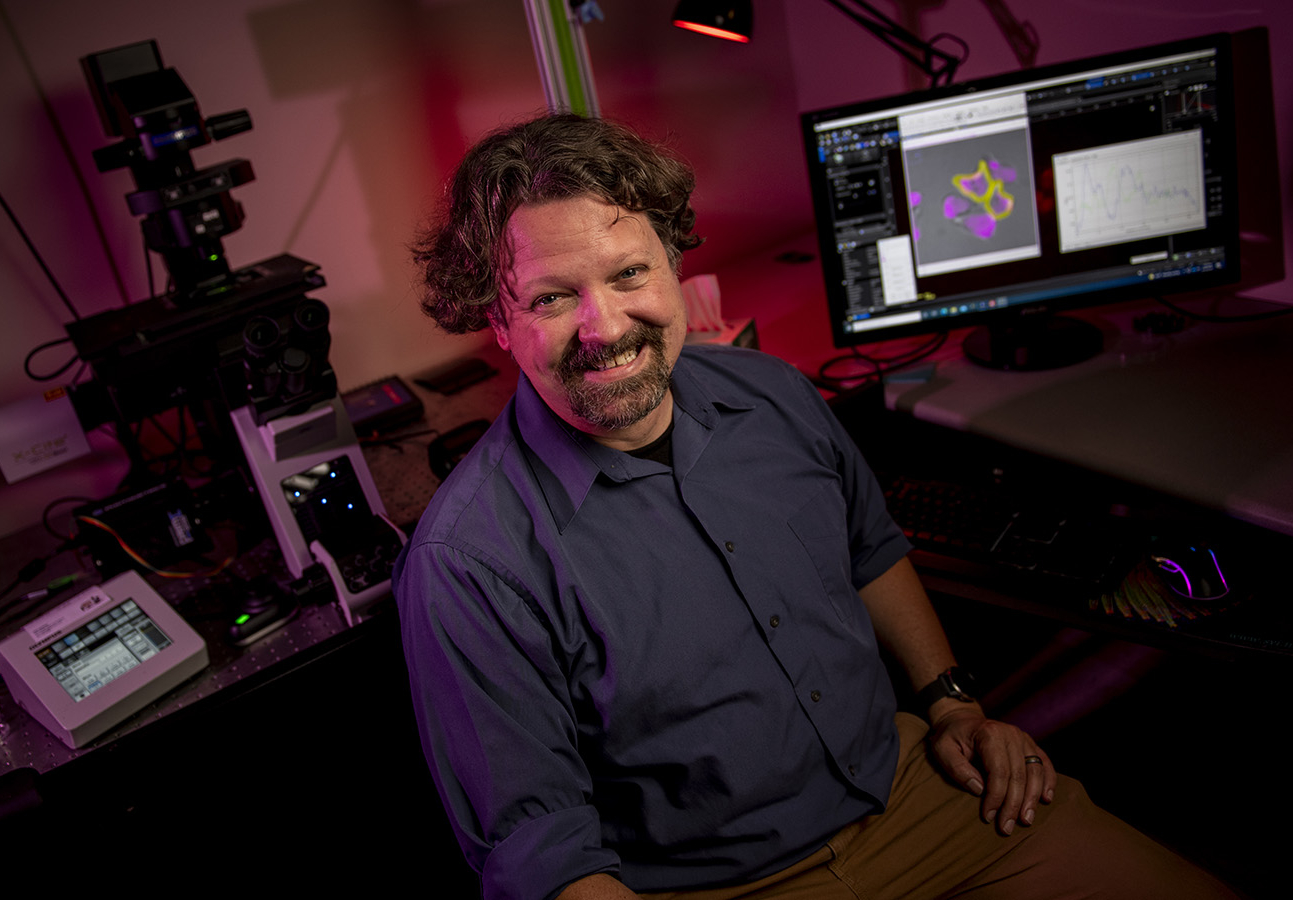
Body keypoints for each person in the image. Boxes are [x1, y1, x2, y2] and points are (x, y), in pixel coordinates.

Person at [394, 113, 1235, 900]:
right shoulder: (469, 565)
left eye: (628, 273)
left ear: (674, 266)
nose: (604, 325)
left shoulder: (772, 393)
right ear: (495, 321)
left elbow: (871, 550)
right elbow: (545, 855)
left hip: (919, 793)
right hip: (726, 885)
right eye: (550, 298)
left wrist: (952, 704)